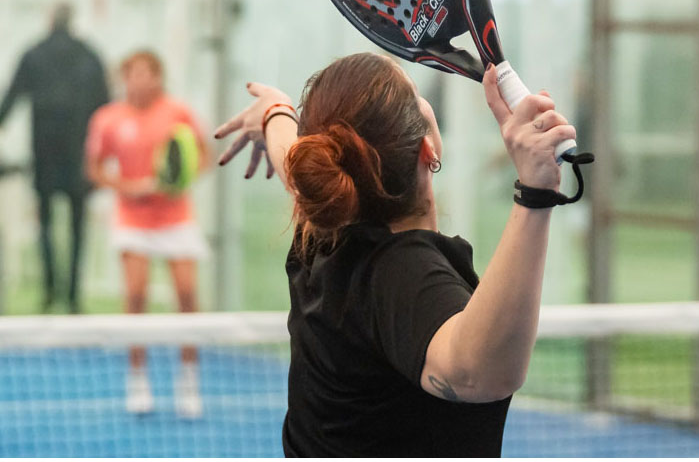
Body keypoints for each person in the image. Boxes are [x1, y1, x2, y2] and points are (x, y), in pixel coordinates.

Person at [215, 52, 576, 456]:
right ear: (427, 149)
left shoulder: (320, 226)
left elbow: (294, 165)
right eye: (416, 94)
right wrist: (536, 192)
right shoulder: (402, 274)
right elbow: (477, 374)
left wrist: (274, 111)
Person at [85, 49, 210, 418]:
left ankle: (189, 381)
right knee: (136, 296)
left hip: (176, 218)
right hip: (132, 221)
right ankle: (138, 380)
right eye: (132, 73)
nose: (139, 80)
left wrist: (179, 181)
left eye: (147, 73)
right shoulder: (107, 118)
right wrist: (128, 187)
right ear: (124, 78)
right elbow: (94, 168)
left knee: (187, 295)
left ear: (158, 77)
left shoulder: (178, 113)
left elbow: (203, 155)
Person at [0, 1, 110, 314]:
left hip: (44, 152)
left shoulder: (34, 53)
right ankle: (72, 296)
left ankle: (49, 291)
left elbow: (12, 93)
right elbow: (106, 103)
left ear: (50, 20)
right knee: (77, 228)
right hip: (78, 154)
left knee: (45, 223)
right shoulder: (88, 55)